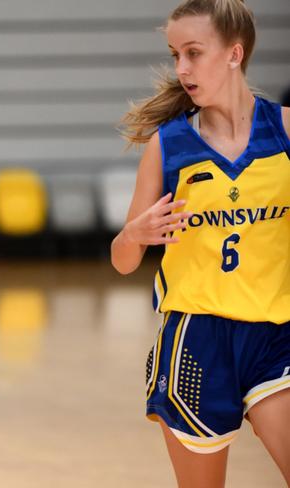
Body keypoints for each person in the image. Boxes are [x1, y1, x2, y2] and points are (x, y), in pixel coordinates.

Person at [111, 0, 290, 486]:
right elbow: (123, 262)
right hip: (197, 342)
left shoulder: (285, 131)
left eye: (194, 52)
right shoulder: (169, 145)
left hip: (276, 337)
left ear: (234, 53)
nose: (182, 68)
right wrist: (135, 234)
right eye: (175, 55)